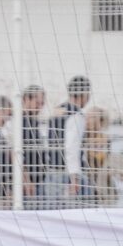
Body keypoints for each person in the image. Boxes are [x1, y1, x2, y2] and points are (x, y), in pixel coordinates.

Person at [46, 75, 91, 207]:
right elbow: (72, 147)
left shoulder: (57, 111)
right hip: (68, 175)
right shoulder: (76, 115)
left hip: (52, 171)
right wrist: (74, 177)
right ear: (83, 94)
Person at [83, 107, 117, 206]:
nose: (87, 119)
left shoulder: (105, 140)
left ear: (101, 122)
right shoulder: (80, 137)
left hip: (103, 188)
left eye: (92, 117)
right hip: (84, 187)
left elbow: (106, 163)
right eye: (87, 116)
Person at [21, 85, 47, 207]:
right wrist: (26, 180)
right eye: (37, 103)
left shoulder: (34, 122)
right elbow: (17, 155)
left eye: (42, 103)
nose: (40, 107)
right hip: (27, 184)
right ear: (26, 99)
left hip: (38, 181)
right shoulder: (20, 122)